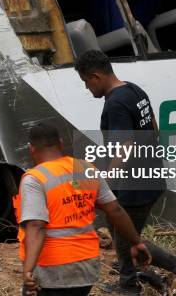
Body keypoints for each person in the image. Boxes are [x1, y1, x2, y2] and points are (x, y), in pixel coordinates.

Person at [74, 50, 176, 296]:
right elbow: (153, 126)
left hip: (134, 186)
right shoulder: (133, 90)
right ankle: (128, 283)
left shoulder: (115, 104)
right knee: (119, 232)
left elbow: (124, 147)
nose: (87, 88)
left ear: (95, 76)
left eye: (86, 82)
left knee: (129, 239)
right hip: (150, 177)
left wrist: (107, 184)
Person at [15, 122, 152, 296]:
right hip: (87, 267)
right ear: (61, 143)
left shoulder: (34, 179)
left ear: (31, 149)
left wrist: (28, 269)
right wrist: (136, 242)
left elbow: (36, 225)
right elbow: (115, 210)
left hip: (53, 269)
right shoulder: (85, 169)